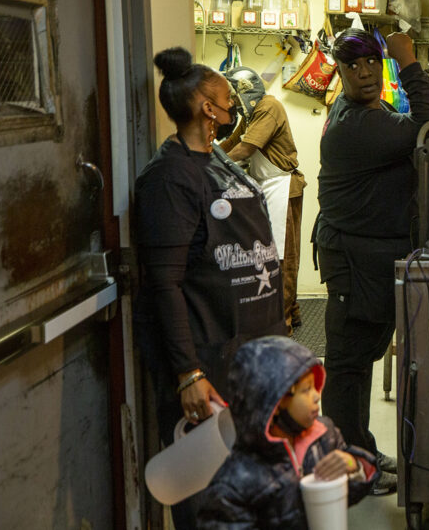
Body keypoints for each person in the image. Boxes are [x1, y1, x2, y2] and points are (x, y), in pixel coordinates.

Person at [134, 47, 287, 529]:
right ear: (207, 108)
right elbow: (165, 281)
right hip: (210, 358)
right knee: (212, 500)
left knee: (254, 486)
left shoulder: (216, 158)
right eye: (225, 96)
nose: (233, 102)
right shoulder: (169, 178)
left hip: (251, 352)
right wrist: (187, 372)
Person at [314, 28, 429, 495]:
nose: (365, 72)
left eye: (372, 62)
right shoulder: (358, 125)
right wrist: (409, 61)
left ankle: (360, 451)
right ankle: (346, 471)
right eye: (353, 66)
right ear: (342, 71)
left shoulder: (370, 110)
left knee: (362, 357)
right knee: (348, 363)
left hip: (365, 252)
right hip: (353, 257)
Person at [197, 336, 378, 528]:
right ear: (274, 403)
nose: (317, 396)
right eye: (306, 390)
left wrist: (353, 465)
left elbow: (348, 492)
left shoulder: (324, 437)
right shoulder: (234, 485)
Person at [219, 66, 307, 332]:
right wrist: (207, 154)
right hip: (268, 187)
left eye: (233, 95)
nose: (231, 102)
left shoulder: (268, 107)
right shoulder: (252, 113)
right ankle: (293, 311)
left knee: (282, 258)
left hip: (282, 186)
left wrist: (211, 164)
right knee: (272, 254)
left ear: (246, 91)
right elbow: (234, 141)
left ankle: (283, 324)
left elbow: (246, 148)